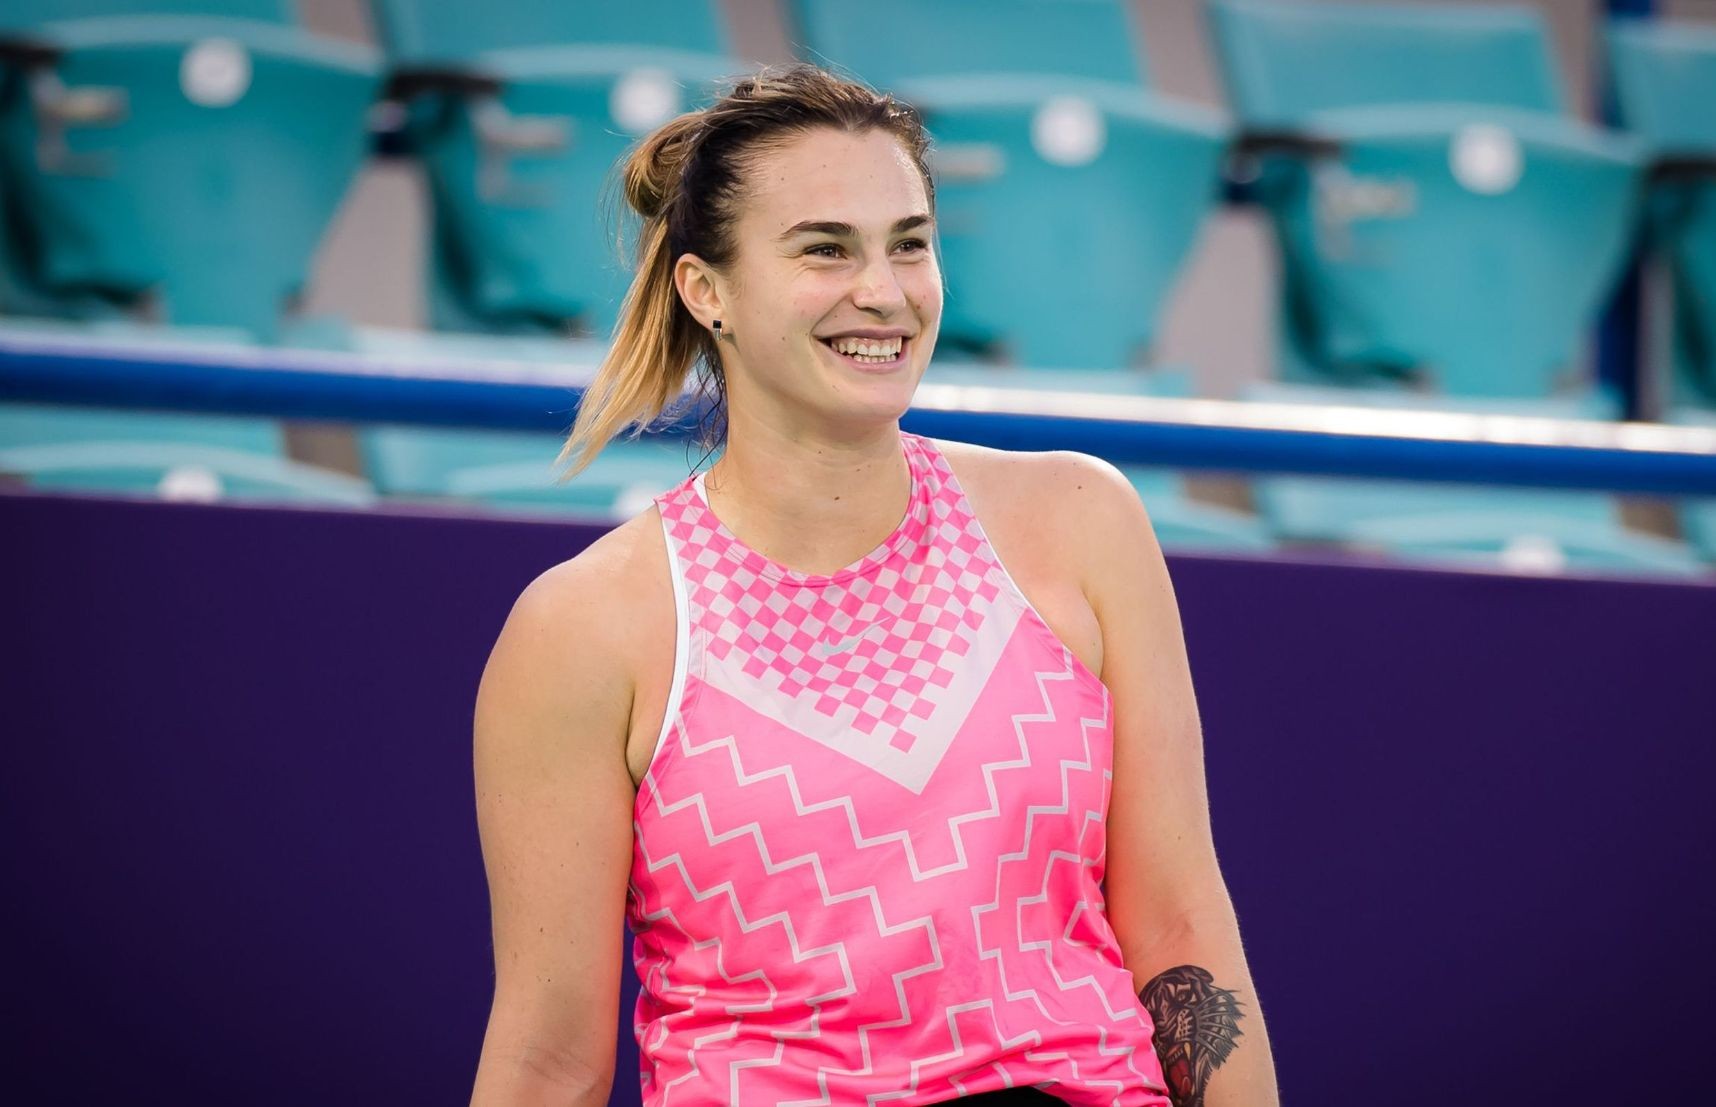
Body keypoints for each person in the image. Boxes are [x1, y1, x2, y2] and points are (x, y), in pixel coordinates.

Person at [469, 62, 1279, 1107]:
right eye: (825, 249)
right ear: (705, 290)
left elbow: (1181, 928)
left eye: (909, 244)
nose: (885, 293)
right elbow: (549, 1064)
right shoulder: (583, 625)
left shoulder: (1085, 519)